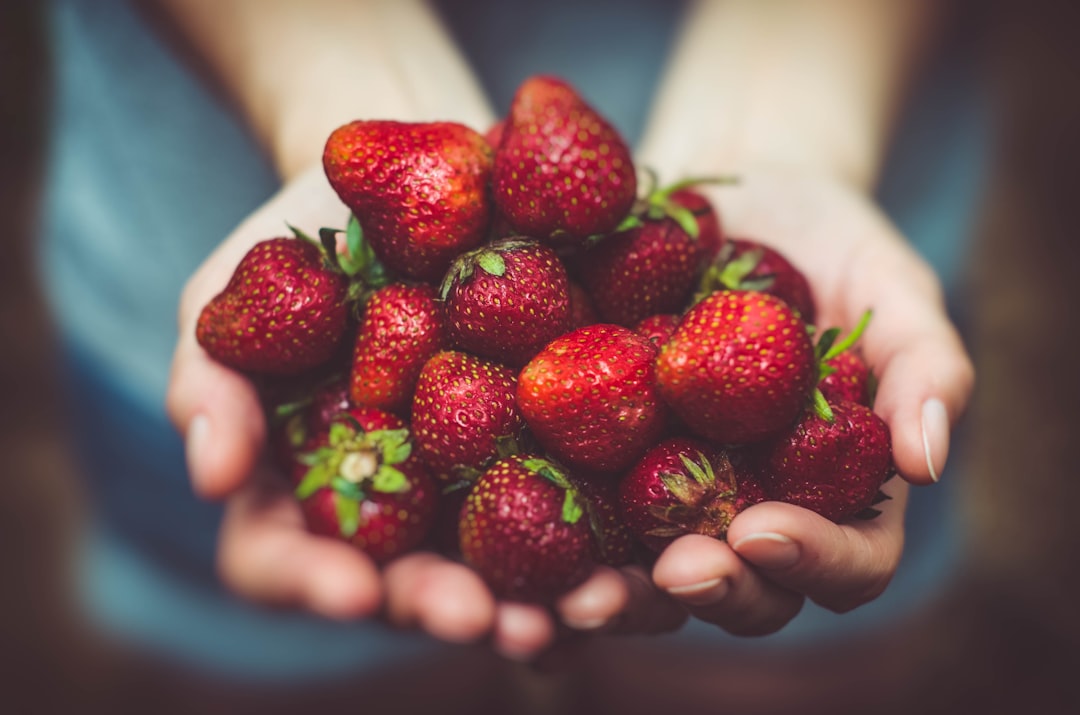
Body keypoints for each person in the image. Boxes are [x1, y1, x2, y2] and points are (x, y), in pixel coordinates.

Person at [40, 0, 977, 678]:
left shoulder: (656, 334)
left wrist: (787, 134)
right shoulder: (473, 322)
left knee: (766, 678)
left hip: (850, 107)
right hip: (186, 196)